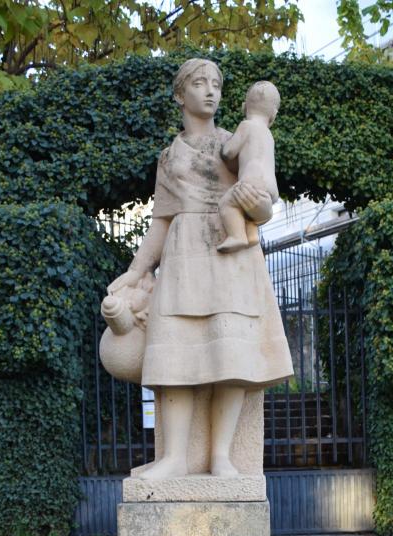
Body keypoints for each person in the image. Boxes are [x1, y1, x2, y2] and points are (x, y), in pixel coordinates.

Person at [103, 58, 293, 480]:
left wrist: (260, 207)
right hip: (183, 255)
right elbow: (161, 221)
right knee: (173, 356)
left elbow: (263, 200)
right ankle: (175, 458)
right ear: (180, 94)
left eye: (216, 85)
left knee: (233, 355)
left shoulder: (236, 140)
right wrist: (136, 271)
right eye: (200, 83)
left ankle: (221, 456)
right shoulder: (168, 157)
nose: (210, 91)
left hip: (231, 254)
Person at [217, 81, 280, 254]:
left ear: (244, 107)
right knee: (246, 210)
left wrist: (224, 146)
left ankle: (237, 236)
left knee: (227, 204)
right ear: (273, 115)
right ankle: (252, 235)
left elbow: (228, 152)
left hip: (252, 181)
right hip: (271, 190)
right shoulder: (269, 136)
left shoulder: (246, 126)